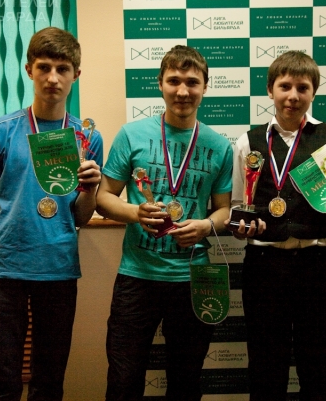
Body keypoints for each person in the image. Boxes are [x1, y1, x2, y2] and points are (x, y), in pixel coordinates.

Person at [0, 26, 103, 401]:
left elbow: (81, 217)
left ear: (76, 74)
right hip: (2, 271)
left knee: (49, 381)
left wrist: (90, 188)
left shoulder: (87, 139)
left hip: (58, 269)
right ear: (29, 70)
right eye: (44, 67)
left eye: (62, 69)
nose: (53, 78)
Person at [96, 45, 233, 401]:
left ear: (205, 87)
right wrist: (135, 213)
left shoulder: (220, 146)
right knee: (123, 382)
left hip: (193, 279)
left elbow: (224, 210)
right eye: (174, 81)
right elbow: (103, 197)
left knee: (186, 384)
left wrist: (205, 226)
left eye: (192, 82)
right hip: (137, 277)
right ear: (160, 83)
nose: (183, 91)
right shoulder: (131, 135)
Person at [226, 50, 326, 401]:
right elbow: (239, 204)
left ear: (314, 91)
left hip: (318, 264)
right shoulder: (248, 141)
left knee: (318, 362)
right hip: (264, 265)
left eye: (303, 87)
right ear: (270, 90)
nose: (293, 96)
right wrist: (240, 228)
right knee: (264, 363)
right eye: (285, 86)